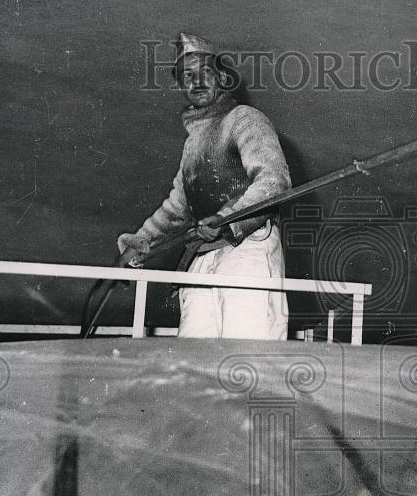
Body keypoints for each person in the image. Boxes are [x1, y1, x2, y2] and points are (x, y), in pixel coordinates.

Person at [117, 32, 291, 340]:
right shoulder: (192, 145)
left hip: (246, 250)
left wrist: (228, 219)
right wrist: (138, 244)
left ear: (222, 78)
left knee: (247, 354)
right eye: (187, 76)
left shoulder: (245, 119)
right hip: (202, 256)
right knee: (194, 360)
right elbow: (178, 208)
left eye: (204, 73)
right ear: (181, 86)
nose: (196, 82)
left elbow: (273, 181)